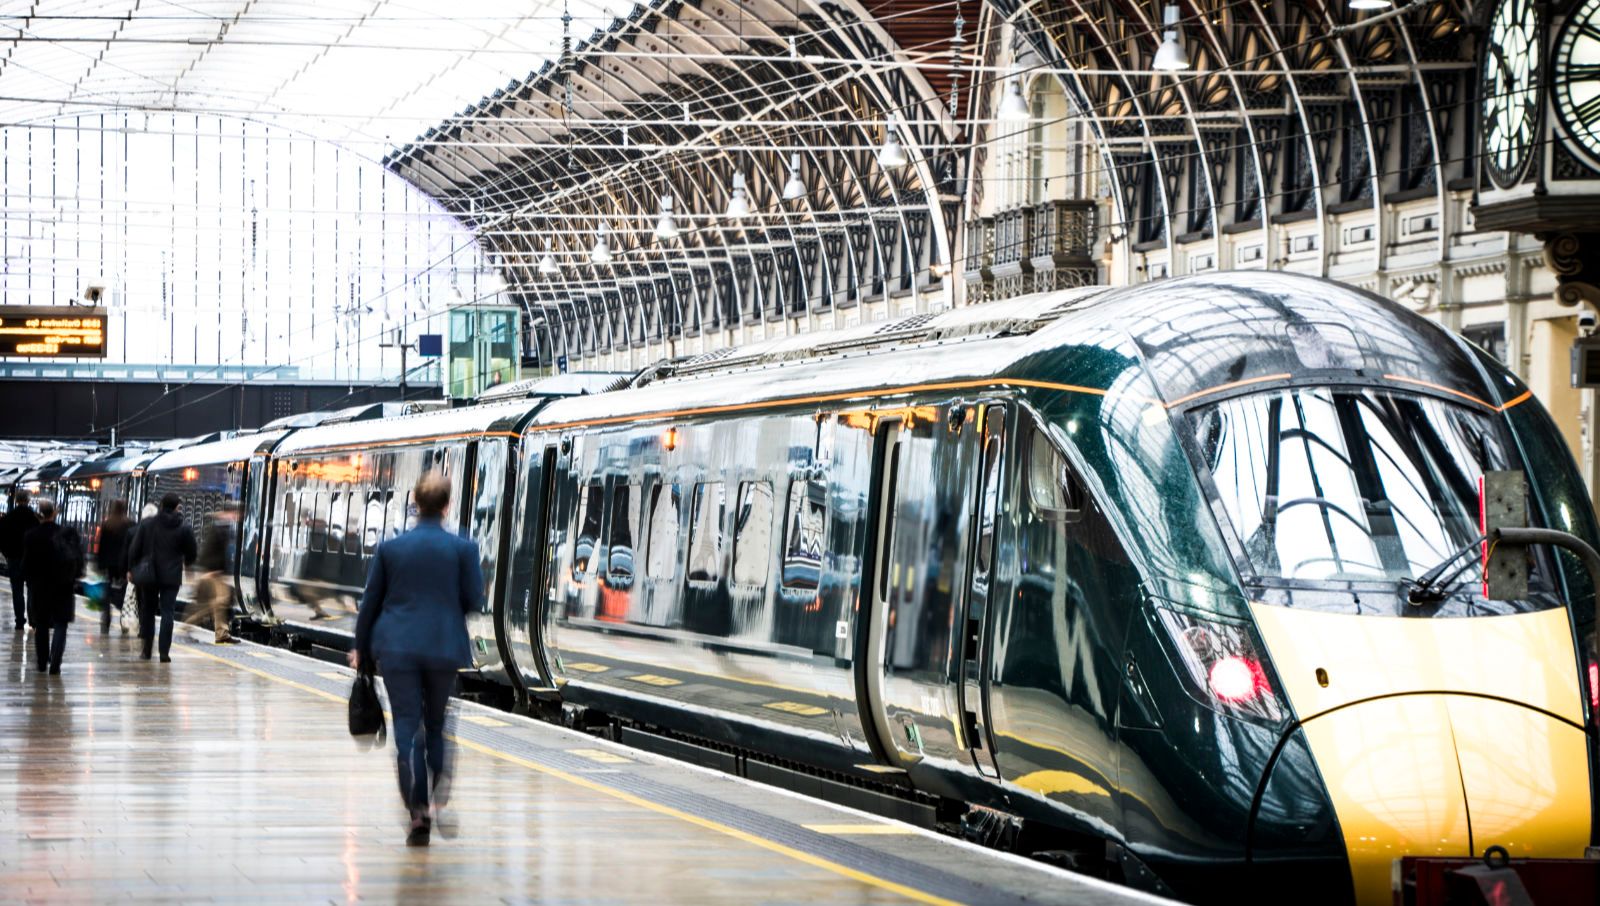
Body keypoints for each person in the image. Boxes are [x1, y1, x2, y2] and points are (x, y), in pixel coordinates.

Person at [352, 471, 482, 847]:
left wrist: (361, 649)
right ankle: (439, 795)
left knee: (407, 727)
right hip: (443, 648)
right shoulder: (463, 549)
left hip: (397, 649)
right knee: (437, 726)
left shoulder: (392, 549)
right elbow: (474, 601)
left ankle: (417, 813)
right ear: (446, 506)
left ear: (414, 503)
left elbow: (370, 603)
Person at [127, 493, 197, 663]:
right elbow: (192, 552)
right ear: (176, 507)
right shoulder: (184, 527)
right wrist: (187, 563)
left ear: (161, 505)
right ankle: (164, 652)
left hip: (149, 575)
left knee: (148, 612)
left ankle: (146, 650)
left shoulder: (147, 524)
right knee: (168, 614)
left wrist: (131, 568)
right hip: (171, 577)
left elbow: (134, 549)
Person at [20, 499, 83, 674]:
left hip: (40, 587)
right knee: (61, 624)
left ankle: (42, 662)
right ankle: (55, 661)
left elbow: (26, 565)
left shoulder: (31, 536)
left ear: (39, 513)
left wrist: (29, 581)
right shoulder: (66, 534)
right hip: (63, 586)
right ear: (54, 513)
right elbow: (77, 560)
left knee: (41, 624)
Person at [188, 501, 240, 644]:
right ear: (229, 513)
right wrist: (210, 570)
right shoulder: (218, 527)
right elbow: (208, 549)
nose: (236, 517)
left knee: (219, 603)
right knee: (213, 603)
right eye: (235, 514)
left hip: (217, 572)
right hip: (213, 572)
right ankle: (187, 625)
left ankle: (222, 634)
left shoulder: (223, 527)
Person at [0, 489, 40, 630]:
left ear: (16, 500)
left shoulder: (8, 517)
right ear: (28, 500)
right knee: (31, 590)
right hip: (31, 560)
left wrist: (7, 554)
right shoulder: (35, 518)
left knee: (17, 590)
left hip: (14, 559)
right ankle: (32, 619)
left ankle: (19, 620)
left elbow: (1, 539)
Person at [95, 500, 133, 634]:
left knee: (106, 592)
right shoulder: (130, 524)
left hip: (108, 564)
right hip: (123, 565)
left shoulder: (107, 524)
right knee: (125, 594)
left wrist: (99, 564)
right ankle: (124, 623)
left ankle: (106, 620)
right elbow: (131, 546)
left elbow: (101, 546)